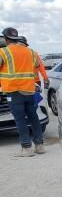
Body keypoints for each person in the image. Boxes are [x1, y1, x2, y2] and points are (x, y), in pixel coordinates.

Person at [0, 27, 45, 157]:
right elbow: (37, 65)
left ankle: (26, 148)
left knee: (20, 120)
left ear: (6, 38)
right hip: (29, 90)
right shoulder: (30, 52)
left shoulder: (3, 52)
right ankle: (40, 146)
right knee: (33, 117)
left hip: (14, 91)